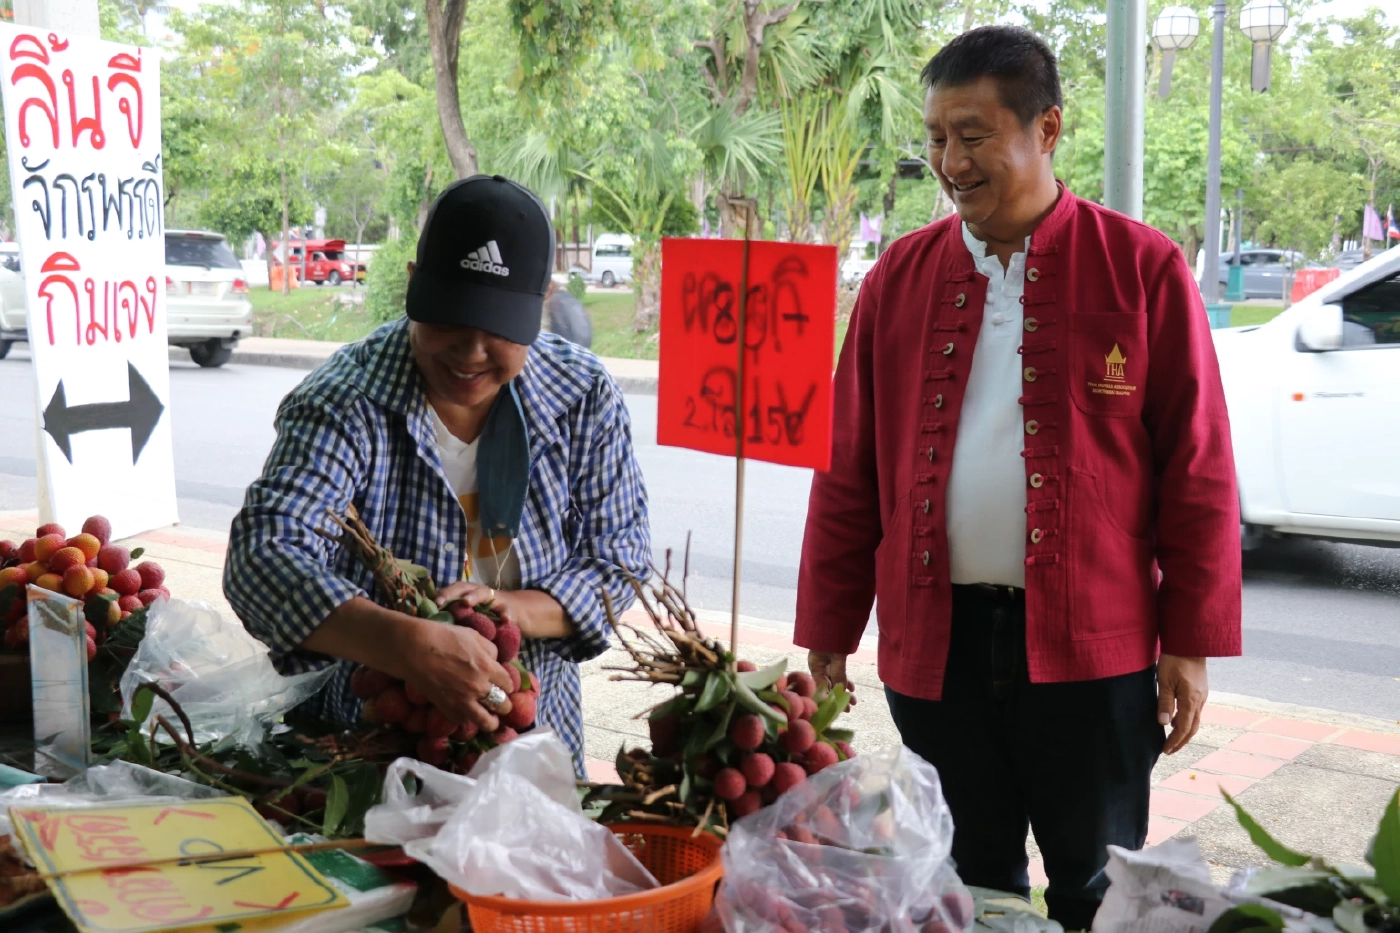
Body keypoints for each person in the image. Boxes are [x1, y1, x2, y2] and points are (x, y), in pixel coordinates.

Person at [794, 26, 1241, 930]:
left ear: (1048, 129)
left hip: (1094, 655)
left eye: (973, 135)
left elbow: (1198, 468)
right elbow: (849, 472)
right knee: (962, 887)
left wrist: (1188, 642)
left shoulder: (1142, 267)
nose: (949, 162)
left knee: (1101, 890)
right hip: (936, 646)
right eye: (934, 139)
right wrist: (829, 631)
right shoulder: (896, 280)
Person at [225, 175, 650, 774]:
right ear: (410, 285)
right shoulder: (346, 402)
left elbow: (622, 559)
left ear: (542, 304)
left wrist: (511, 610)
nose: (471, 351)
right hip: (367, 753)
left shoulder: (582, 397)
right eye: (449, 317)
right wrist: (406, 644)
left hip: (532, 749)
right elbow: (261, 557)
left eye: (498, 327)